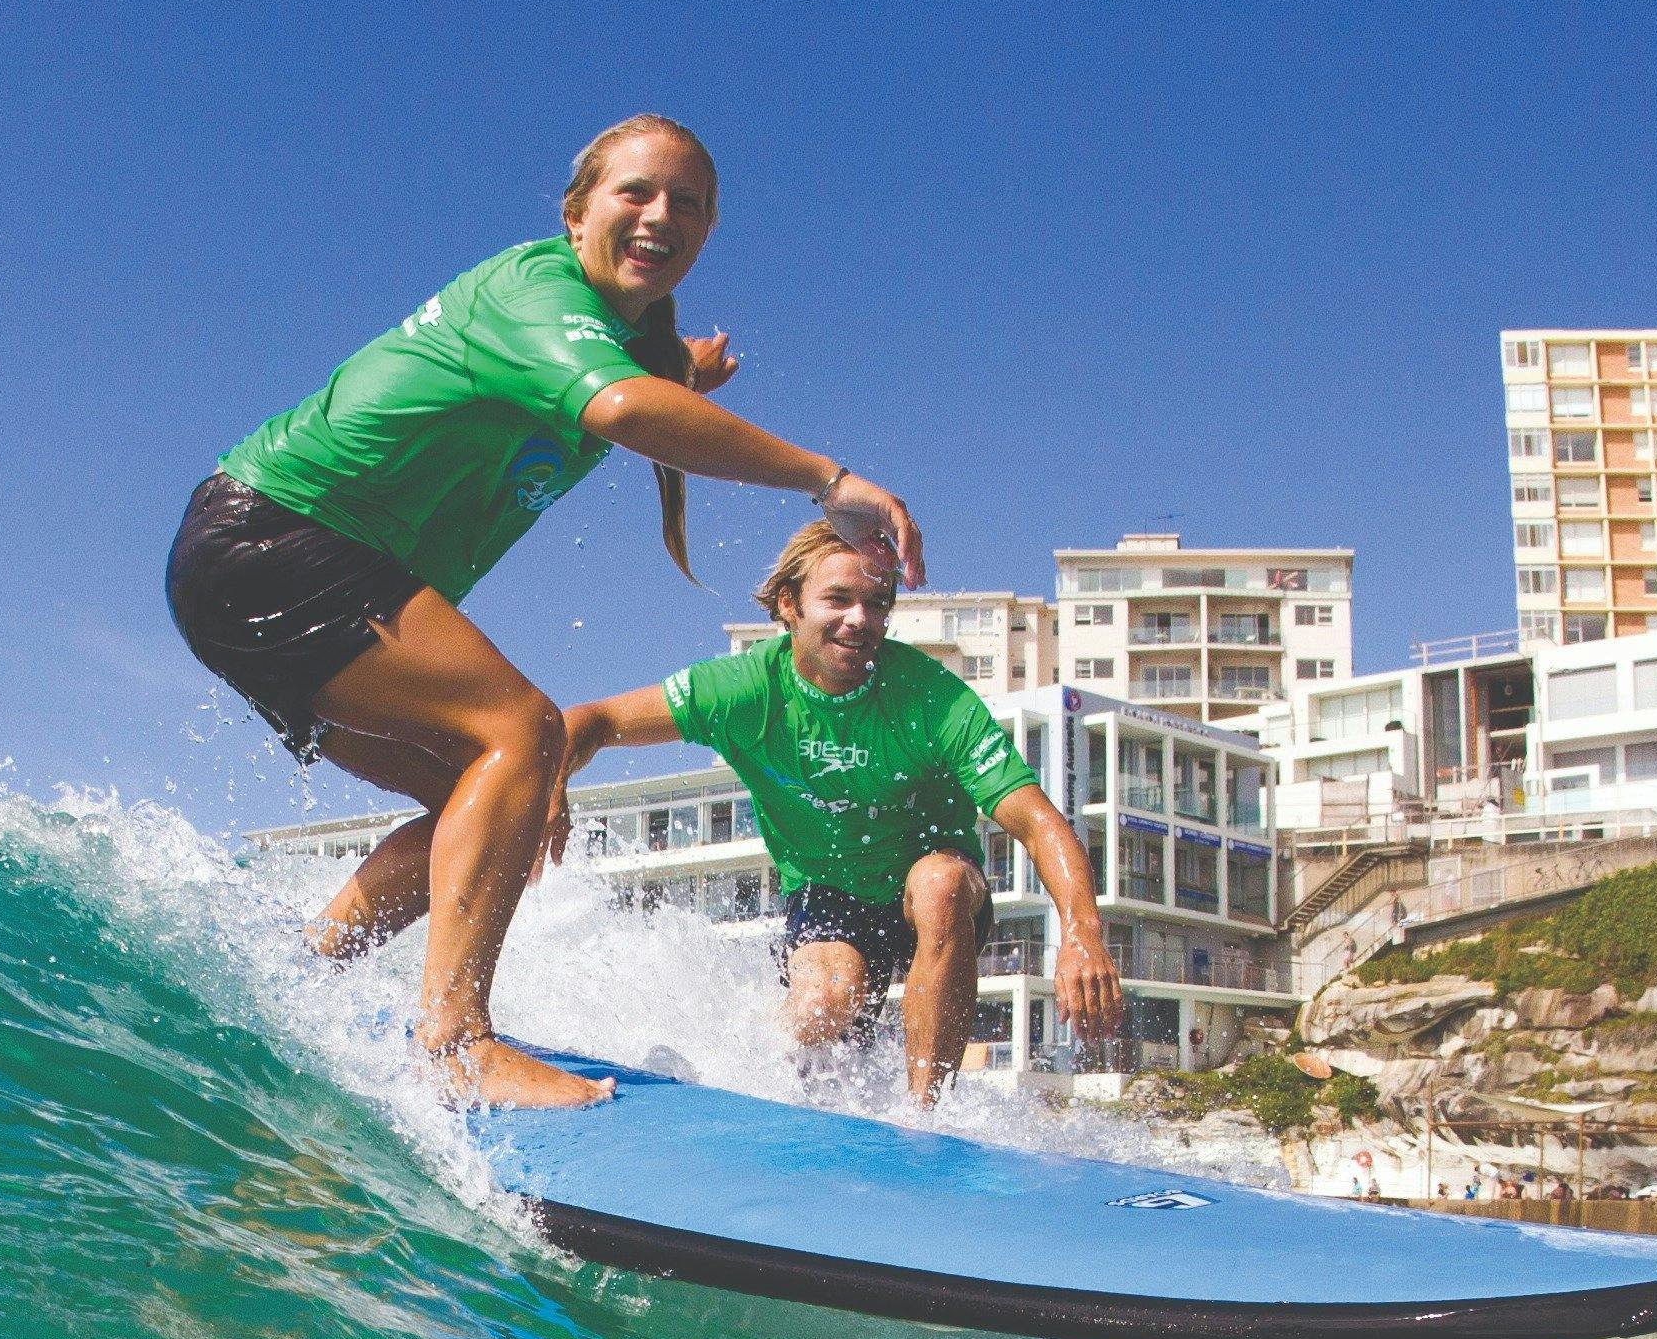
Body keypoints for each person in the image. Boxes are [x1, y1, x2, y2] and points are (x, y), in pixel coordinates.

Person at [165, 115, 920, 1109]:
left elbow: (647, 379)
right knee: (524, 734)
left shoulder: (628, 335)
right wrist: (827, 479)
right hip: (283, 537)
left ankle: (302, 975)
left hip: (261, 562)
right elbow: (617, 406)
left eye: (688, 204)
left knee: (489, 811)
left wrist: (690, 366)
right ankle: (458, 1042)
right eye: (635, 194)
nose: (661, 216)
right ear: (575, 216)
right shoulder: (536, 293)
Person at [556, 524, 1124, 1102]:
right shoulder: (745, 690)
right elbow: (590, 721)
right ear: (789, 604)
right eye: (838, 599)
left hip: (932, 891)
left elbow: (1038, 821)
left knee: (941, 883)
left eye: (877, 604)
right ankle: (770, 1099)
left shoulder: (931, 698)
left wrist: (1082, 934)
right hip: (829, 892)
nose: (860, 618)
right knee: (822, 1007)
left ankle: (929, 1116)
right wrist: (548, 789)